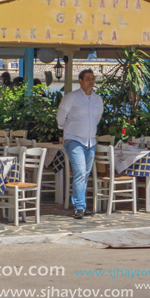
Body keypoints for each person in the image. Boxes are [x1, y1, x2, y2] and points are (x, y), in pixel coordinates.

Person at [57, 68, 103, 219]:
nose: (92, 81)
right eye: (88, 78)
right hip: (74, 139)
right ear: (81, 81)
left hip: (90, 141)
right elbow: (61, 115)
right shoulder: (71, 97)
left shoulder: (98, 99)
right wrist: (64, 128)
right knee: (80, 172)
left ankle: (81, 204)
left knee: (84, 173)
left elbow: (97, 118)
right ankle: (79, 207)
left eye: (93, 78)